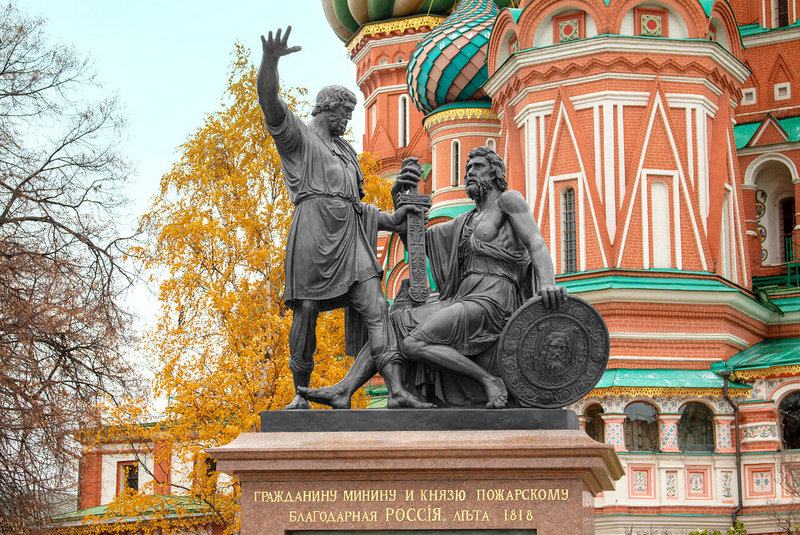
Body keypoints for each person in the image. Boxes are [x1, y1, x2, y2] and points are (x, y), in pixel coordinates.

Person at [299, 146, 566, 409]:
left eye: (478, 167)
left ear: (495, 173)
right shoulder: (465, 220)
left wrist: (547, 282)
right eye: (467, 169)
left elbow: (535, 241)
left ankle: (489, 380)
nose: (469, 173)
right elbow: (418, 243)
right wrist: (400, 200)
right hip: (464, 297)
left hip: (494, 300)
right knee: (392, 323)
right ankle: (344, 390)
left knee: (413, 342)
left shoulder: (508, 201)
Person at [258, 27, 432, 409]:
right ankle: (301, 394)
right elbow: (270, 103)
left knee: (377, 309)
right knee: (306, 312)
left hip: (351, 240)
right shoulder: (300, 138)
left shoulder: (347, 152)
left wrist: (393, 219)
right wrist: (270, 61)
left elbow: (358, 208)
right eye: (346, 114)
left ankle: (397, 391)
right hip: (313, 232)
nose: (348, 121)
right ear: (328, 109)